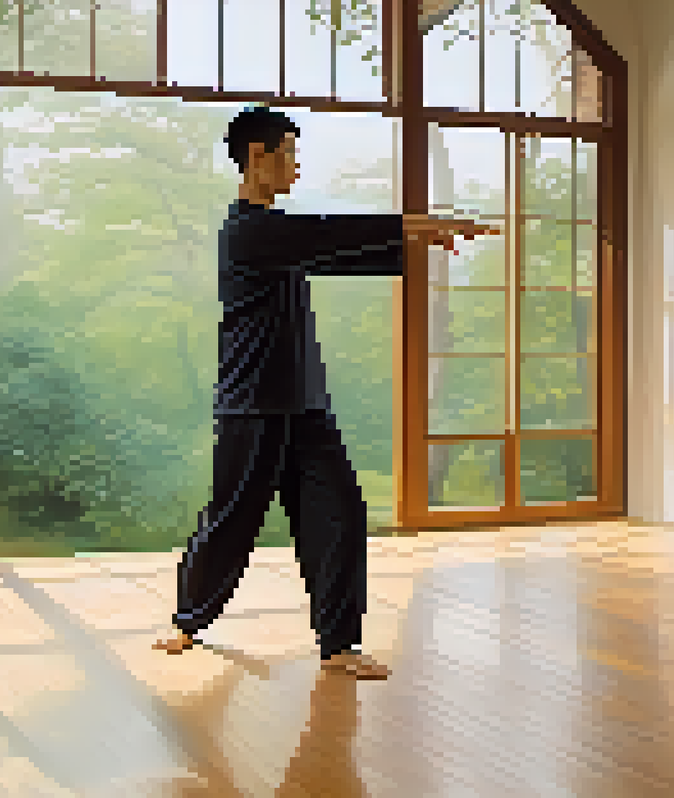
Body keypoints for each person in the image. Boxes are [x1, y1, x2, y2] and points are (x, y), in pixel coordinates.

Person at [153, 106, 499, 679]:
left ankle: (339, 645)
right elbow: (328, 235)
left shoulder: (278, 236)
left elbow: (337, 253)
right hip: (252, 405)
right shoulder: (248, 230)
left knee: (339, 514)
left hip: (306, 404)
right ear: (257, 157)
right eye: (286, 151)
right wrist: (419, 224)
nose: (294, 163)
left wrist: (425, 241)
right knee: (232, 519)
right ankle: (188, 621)